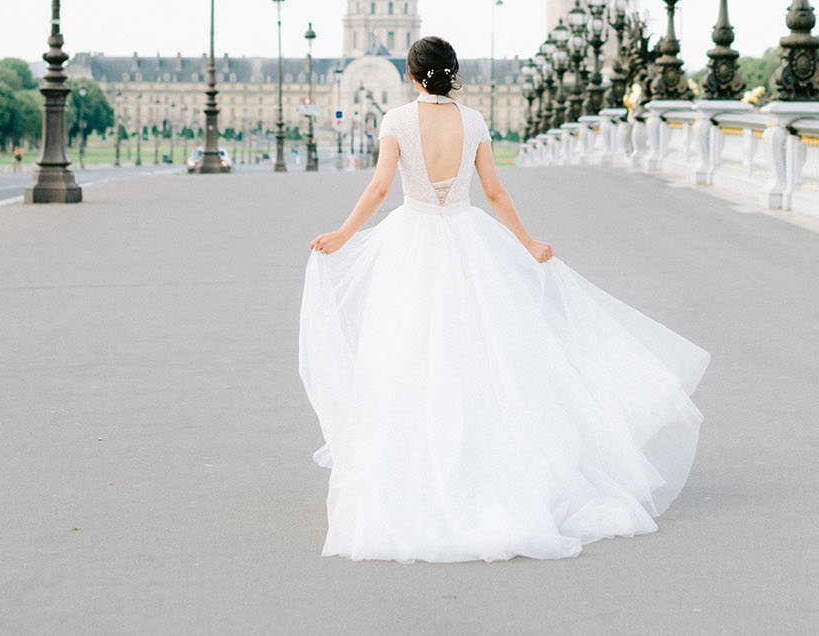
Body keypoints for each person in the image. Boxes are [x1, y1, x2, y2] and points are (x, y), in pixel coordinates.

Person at [299, 35, 709, 564]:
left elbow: (379, 189)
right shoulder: (472, 123)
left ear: (411, 73)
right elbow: (495, 193)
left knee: (408, 356)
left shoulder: (397, 120)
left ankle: (417, 464)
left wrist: (343, 234)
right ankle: (488, 464)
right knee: (484, 356)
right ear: (451, 73)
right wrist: (528, 242)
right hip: (469, 242)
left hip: (413, 243)